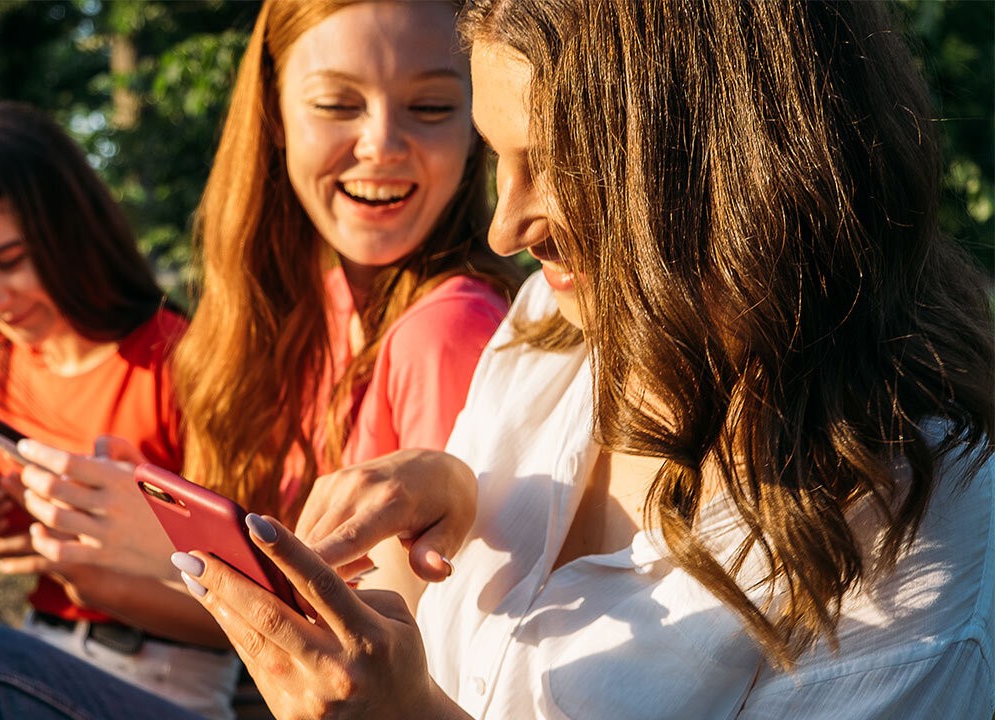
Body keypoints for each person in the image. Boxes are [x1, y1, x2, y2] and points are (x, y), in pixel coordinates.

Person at [178, 1, 995, 718]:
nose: (503, 230)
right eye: (497, 154)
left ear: (727, 161)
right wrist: (463, 485)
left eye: (559, 166)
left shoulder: (916, 529)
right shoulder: (551, 320)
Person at [0, 1, 520, 717]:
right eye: (336, 103)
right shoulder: (304, 318)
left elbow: (389, 659)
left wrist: (154, 551)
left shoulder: (443, 328)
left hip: (210, 687)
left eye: (432, 104)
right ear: (274, 116)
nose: (382, 143)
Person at [0, 100, 236, 718]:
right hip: (39, 664)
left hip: (172, 682)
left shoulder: (176, 361)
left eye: (9, 260)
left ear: (69, 228)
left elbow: (244, 614)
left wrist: (86, 573)